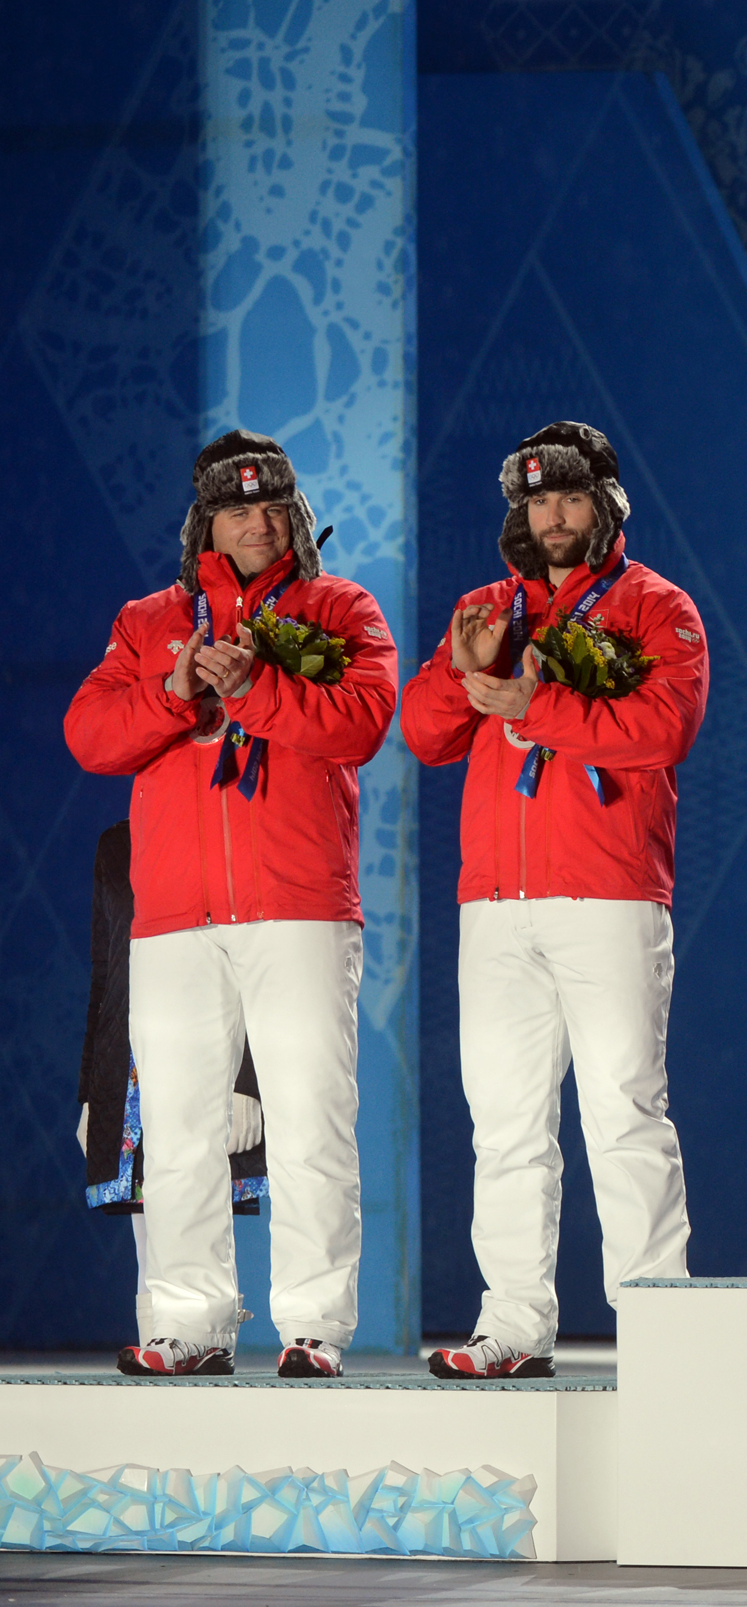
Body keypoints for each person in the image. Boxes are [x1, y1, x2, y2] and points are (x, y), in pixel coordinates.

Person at [64, 430, 398, 1378]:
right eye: (236, 508)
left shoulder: (340, 610)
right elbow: (89, 733)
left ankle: (314, 1328)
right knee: (175, 1127)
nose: (256, 522)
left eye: (271, 506)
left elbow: (363, 724)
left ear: (294, 514)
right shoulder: (147, 621)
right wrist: (172, 698)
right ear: (205, 522)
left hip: (297, 906)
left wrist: (255, 689)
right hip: (173, 914)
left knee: (310, 1120)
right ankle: (190, 1321)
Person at [401, 422, 709, 1379]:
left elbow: (664, 730)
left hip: (607, 894)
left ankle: (659, 1328)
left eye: (570, 499)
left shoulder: (659, 608)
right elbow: (421, 732)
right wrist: (467, 675)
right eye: (538, 502)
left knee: (623, 1110)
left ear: (605, 504)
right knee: (505, 1124)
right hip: (494, 905)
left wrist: (530, 706)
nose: (554, 517)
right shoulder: (486, 607)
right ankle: (513, 1324)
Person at [77, 821, 269, 1343]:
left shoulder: (226, 828)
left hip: (205, 1042)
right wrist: (92, 1091)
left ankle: (211, 1340)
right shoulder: (115, 843)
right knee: (146, 1205)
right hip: (131, 1057)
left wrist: (247, 1079)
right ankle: (160, 1343)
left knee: (203, 1194)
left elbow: (252, 962)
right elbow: (105, 967)